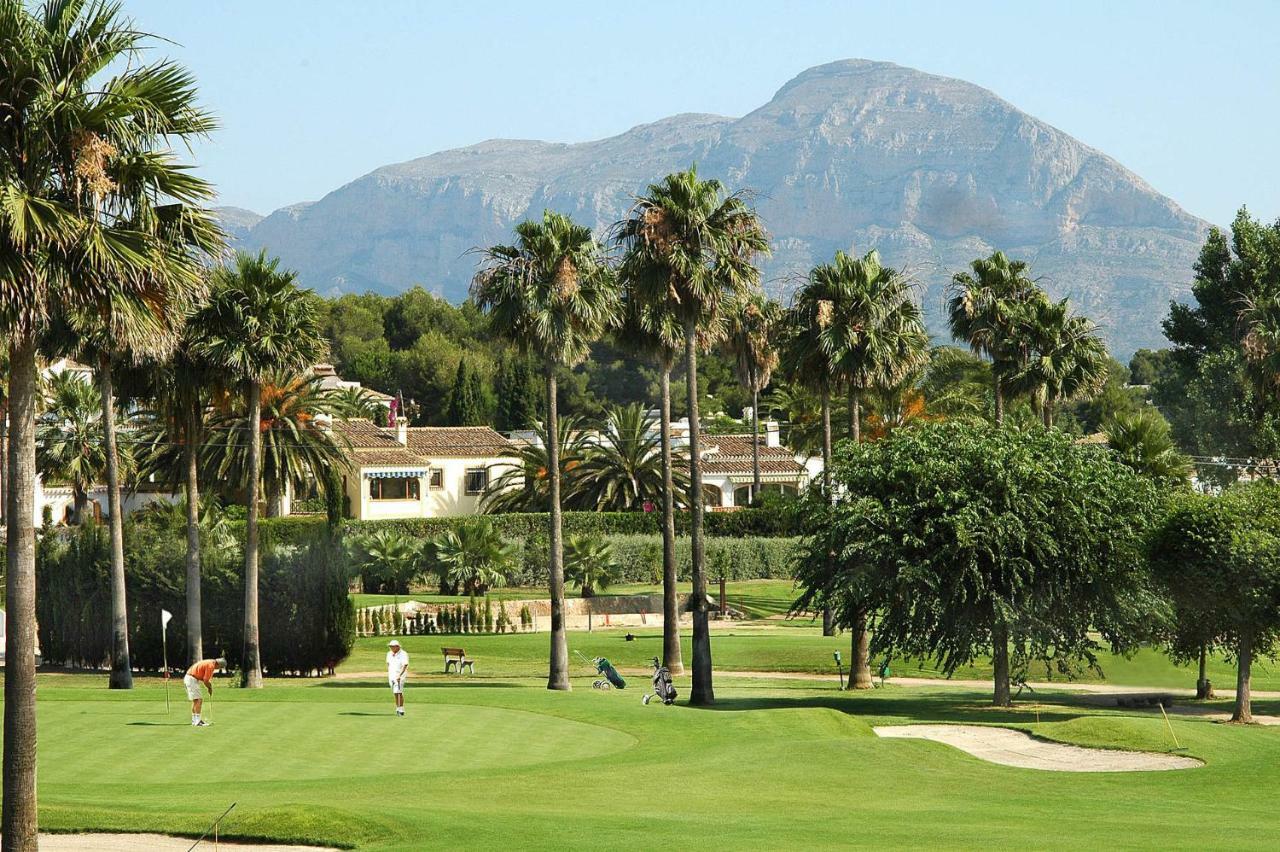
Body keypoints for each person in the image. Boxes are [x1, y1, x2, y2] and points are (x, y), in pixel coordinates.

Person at [184, 657, 226, 727]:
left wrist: (209, 686)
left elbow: (205, 679)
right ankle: (198, 721)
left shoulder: (210, 662)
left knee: (195, 700)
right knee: (199, 700)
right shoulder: (211, 665)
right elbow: (206, 680)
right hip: (191, 679)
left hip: (190, 678)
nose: (218, 669)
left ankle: (194, 720)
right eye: (220, 667)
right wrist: (209, 688)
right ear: (218, 665)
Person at [387, 639, 409, 716]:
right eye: (390, 646)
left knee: (398, 692)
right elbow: (388, 664)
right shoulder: (389, 653)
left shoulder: (403, 654)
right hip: (391, 675)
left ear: (397, 646)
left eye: (392, 646)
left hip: (400, 675)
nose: (391, 648)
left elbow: (405, 665)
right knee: (395, 692)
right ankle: (398, 707)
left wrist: (400, 675)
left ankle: (401, 709)